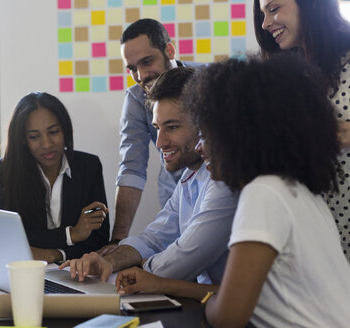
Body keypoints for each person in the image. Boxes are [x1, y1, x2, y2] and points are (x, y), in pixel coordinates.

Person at [118, 55, 350, 328]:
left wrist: (176, 287)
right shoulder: (292, 186)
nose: (201, 146)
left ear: (241, 133)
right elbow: (239, 297)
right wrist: (162, 283)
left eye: (209, 133)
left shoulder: (263, 194)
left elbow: (227, 315)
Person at [60, 67, 238, 286]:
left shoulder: (223, 182)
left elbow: (181, 262)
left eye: (171, 127)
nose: (160, 142)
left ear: (204, 125)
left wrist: (132, 269)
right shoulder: (189, 177)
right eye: (157, 128)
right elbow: (154, 238)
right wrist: (109, 261)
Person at [253, 0, 350, 261]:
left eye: (273, 9)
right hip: (316, 237)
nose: (265, 23)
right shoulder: (288, 76)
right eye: (262, 14)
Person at [100, 18, 201, 255]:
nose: (141, 75)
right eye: (132, 68)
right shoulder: (136, 98)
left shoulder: (208, 80)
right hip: (175, 197)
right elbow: (132, 169)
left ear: (170, 50)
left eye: (147, 62)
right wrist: (117, 240)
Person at [0, 92, 109, 263]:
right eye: (34, 136)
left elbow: (98, 239)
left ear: (66, 130)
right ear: (23, 139)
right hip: (25, 272)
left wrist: (56, 254)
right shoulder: (6, 170)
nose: (46, 144)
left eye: (54, 132)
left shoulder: (89, 167)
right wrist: (72, 234)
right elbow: (8, 239)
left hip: (76, 272)